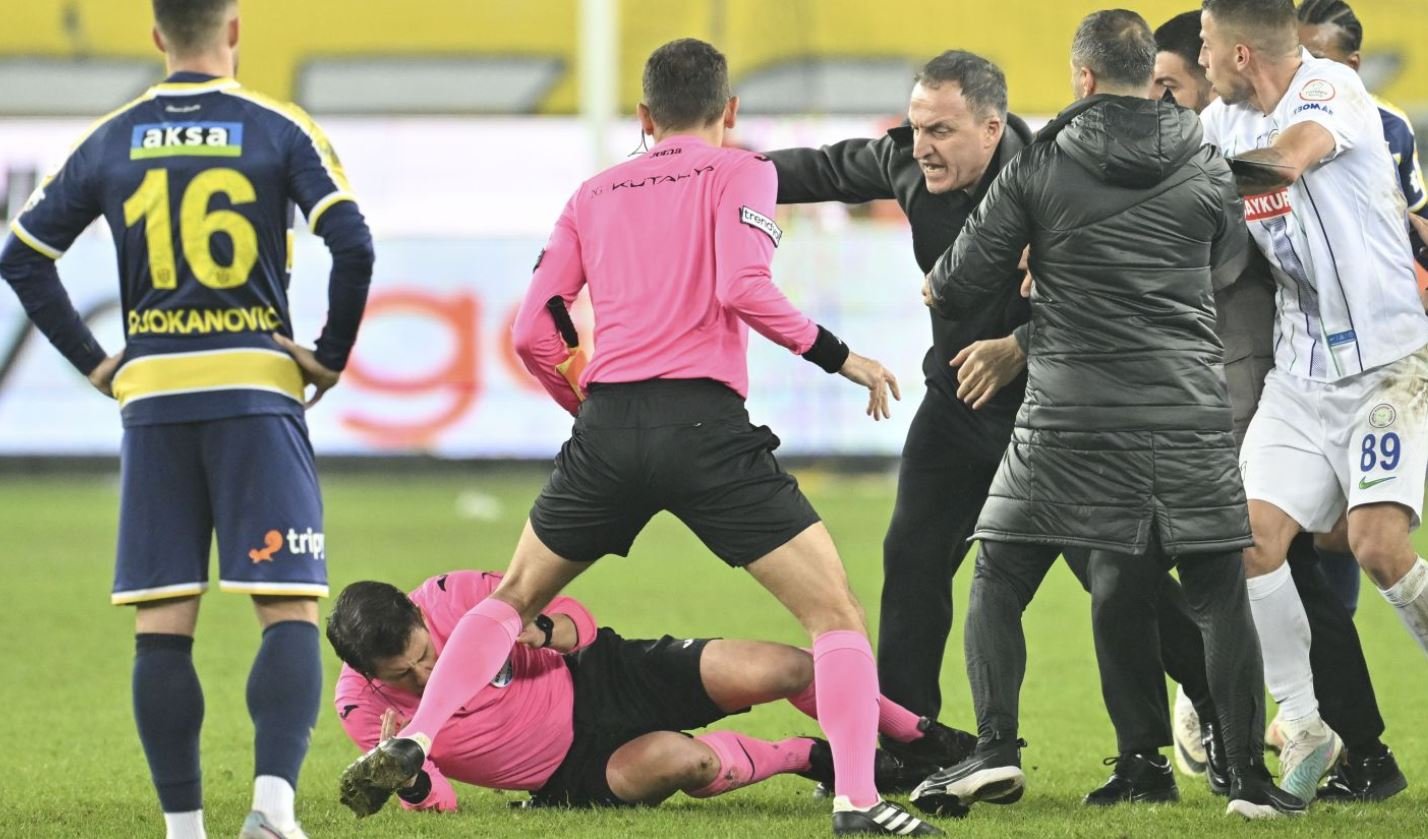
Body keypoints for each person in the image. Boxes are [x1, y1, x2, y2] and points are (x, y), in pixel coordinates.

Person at [336, 38, 938, 837]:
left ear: (644, 116)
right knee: (833, 615)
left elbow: (531, 331)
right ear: (729, 111)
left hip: (610, 424)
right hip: (703, 425)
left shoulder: (592, 192)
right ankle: (856, 799)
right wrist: (839, 355)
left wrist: (582, 407)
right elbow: (743, 285)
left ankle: (418, 733)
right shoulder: (742, 170)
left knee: (513, 598)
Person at [767, 52, 1222, 803]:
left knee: (1112, 576)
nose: (921, 146)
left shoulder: (1057, 174)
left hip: (1054, 413)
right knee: (912, 558)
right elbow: (816, 170)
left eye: (940, 130)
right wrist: (704, 170)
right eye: (917, 127)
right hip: (956, 408)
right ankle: (909, 745)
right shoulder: (907, 160)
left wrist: (1022, 344)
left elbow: (1122, 288)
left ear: (990, 127)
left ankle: (1216, 700)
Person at [905, 8, 1300, 820]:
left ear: (1083, 77)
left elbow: (955, 283)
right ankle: (1248, 781)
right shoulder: (1205, 158)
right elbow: (1225, 260)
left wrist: (1032, 257)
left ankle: (995, 748)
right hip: (1188, 408)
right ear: (1150, 75)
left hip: (1069, 412)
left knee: (998, 574)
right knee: (1216, 590)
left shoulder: (1041, 162)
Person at [0, 2, 373, 837]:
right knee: (286, 607)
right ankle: (272, 809)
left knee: (162, 623)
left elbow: (22, 256)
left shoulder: (111, 138)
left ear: (157, 35)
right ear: (233, 30)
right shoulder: (279, 126)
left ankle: (183, 829)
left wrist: (98, 362)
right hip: (255, 389)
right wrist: (329, 355)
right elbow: (353, 244)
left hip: (156, 399)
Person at [1151, 9, 1404, 804]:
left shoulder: (1330, 90)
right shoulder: (1222, 122)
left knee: (1376, 546)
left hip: (1390, 363)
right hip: (1300, 373)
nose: (1198, 61)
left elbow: (1288, 162)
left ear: (1237, 51)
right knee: (1249, 544)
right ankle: (1305, 721)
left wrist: (1192, 186)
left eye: (1203, 46)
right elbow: (1162, 188)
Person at [329, 571, 972, 813]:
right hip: (569, 770)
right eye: (401, 676)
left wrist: (543, 630)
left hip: (604, 675)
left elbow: (578, 620)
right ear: (366, 673)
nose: (423, 679)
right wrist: (408, 783)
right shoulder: (362, 708)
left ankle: (920, 739)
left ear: (419, 615)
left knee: (790, 668)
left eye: (426, 657)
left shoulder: (455, 595)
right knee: (685, 761)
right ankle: (809, 757)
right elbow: (441, 805)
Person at [1297, 0, 1428, 610]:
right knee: (1293, 528)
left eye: (1317, 58)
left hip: (1377, 350)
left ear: (1352, 65)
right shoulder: (1261, 121)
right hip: (1293, 348)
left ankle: (1330, 651)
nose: (1303, 71)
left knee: (1349, 532)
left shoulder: (1388, 126)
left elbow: (1414, 224)